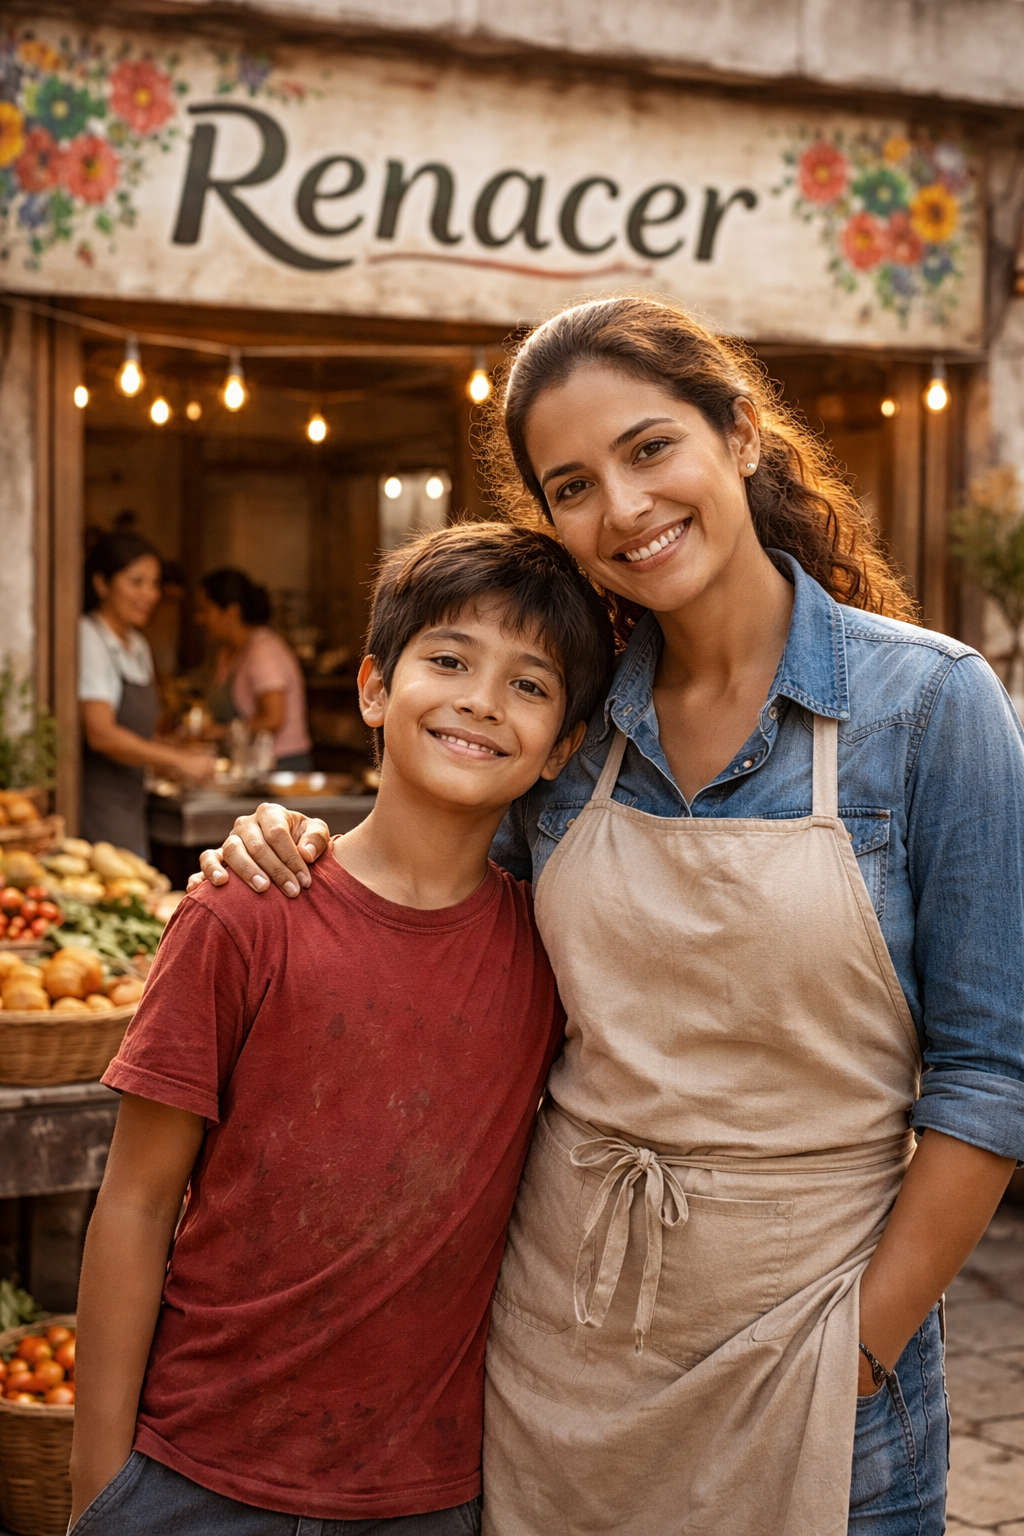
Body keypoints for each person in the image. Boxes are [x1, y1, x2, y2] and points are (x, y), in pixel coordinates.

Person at [195, 298, 1024, 1536]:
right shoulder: (568, 726)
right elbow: (433, 892)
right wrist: (290, 844)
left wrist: (859, 1349)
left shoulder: (927, 707)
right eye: (573, 484)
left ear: (738, 434)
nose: (624, 509)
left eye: (650, 450)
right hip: (559, 1357)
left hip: (812, 1344)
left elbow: (989, 1076)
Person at [67, 524, 614, 1536]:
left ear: (563, 749)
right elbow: (136, 1205)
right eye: (448, 660)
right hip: (195, 1478)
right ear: (373, 688)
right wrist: (101, 1490)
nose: (482, 701)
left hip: (425, 1494)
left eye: (530, 686)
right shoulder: (241, 913)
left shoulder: (551, 953)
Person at [80, 533, 215, 855]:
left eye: (154, 584)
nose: (149, 595)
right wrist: (178, 760)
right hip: (98, 805)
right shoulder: (89, 637)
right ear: (101, 584)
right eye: (136, 582)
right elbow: (101, 733)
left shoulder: (138, 645)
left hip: (133, 802)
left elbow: (145, 734)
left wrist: (186, 756)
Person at [195, 567, 313, 772]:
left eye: (205, 610)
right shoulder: (227, 654)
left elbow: (274, 718)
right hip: (248, 764)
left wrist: (223, 732)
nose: (200, 619)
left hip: (281, 765)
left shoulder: (263, 651)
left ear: (231, 612)